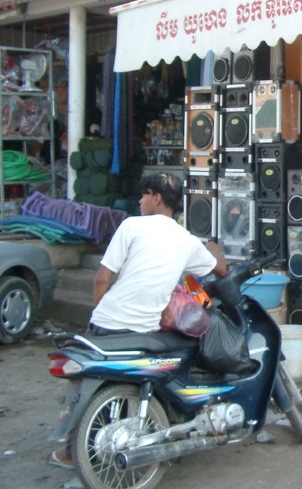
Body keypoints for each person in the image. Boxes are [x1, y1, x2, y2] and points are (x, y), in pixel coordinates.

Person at [47, 172, 227, 469]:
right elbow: (219, 269)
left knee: (100, 381)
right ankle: (166, 427)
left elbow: (103, 277)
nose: (140, 201)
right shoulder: (186, 240)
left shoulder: (132, 226)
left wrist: (98, 312)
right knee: (180, 356)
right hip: (143, 331)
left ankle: (75, 448)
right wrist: (214, 249)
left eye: (144, 195)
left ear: (157, 197)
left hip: (106, 324)